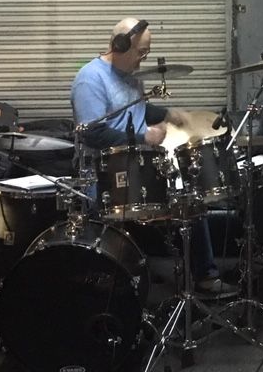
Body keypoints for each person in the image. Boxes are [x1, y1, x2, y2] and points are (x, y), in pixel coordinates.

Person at [71, 17, 236, 298]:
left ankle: (205, 277)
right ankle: (114, 286)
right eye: (141, 52)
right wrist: (143, 138)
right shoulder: (90, 79)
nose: (144, 59)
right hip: (105, 175)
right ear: (120, 45)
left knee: (190, 197)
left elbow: (133, 110)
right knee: (111, 229)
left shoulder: (131, 77)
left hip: (141, 167)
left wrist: (167, 114)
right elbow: (92, 133)